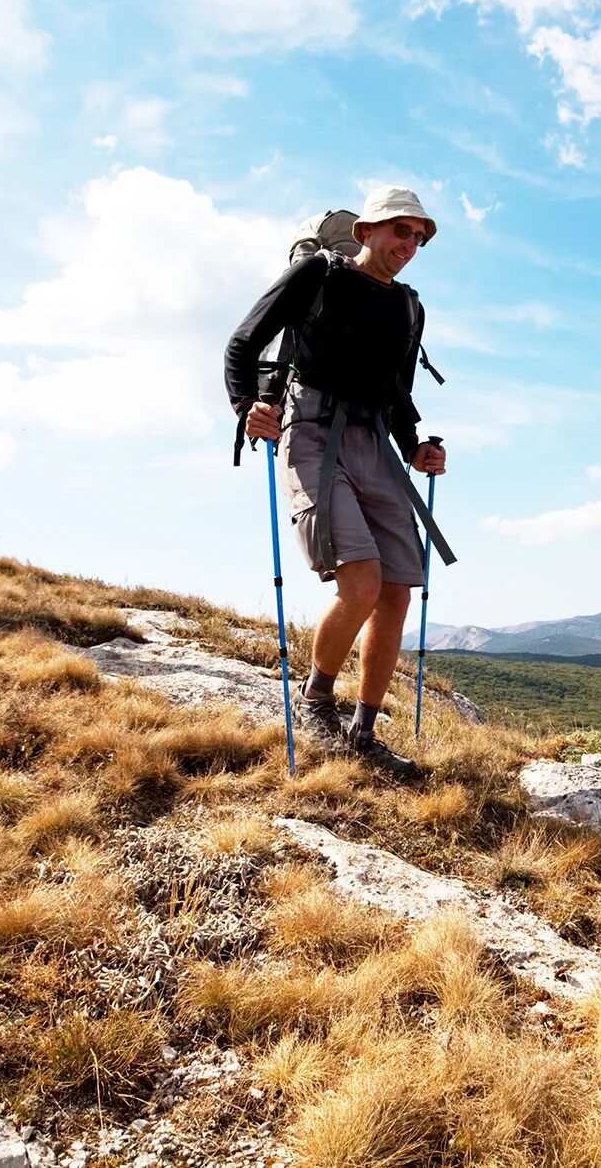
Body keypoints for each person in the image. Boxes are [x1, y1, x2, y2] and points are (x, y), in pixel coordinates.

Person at [224, 187, 448, 782]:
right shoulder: (316, 275)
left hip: (375, 440)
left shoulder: (408, 307)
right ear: (367, 229)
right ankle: (316, 699)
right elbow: (244, 342)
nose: (409, 245)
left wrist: (417, 446)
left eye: (419, 237)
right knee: (363, 581)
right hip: (314, 431)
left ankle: (365, 732)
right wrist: (248, 403)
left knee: (397, 590)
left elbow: (398, 390)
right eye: (401, 231)